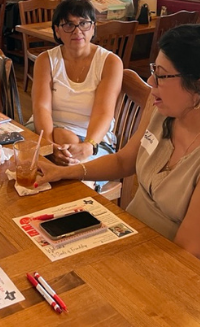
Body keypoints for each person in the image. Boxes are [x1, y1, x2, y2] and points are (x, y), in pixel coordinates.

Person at [38, 24, 200, 259]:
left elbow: (184, 254)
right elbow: (125, 160)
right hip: (125, 232)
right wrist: (66, 172)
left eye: (162, 75)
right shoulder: (160, 111)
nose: (151, 81)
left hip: (160, 261)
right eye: (154, 70)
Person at [31, 0, 123, 166]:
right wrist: (48, 146)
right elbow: (41, 107)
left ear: (93, 27)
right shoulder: (46, 60)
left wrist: (89, 146)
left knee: (65, 171)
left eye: (84, 23)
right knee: (19, 162)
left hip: (94, 139)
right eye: (68, 25)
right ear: (57, 31)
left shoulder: (110, 63)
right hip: (45, 131)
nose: (77, 30)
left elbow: (104, 112)